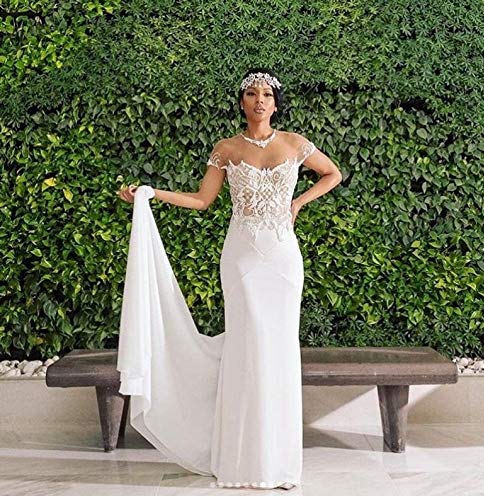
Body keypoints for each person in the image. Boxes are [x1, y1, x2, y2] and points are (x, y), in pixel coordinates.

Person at [117, 68, 342, 490]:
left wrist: (298, 203)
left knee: (277, 350)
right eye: (252, 94)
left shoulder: (295, 143)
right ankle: (242, 461)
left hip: (282, 260)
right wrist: (152, 192)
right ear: (242, 102)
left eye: (267, 95)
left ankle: (278, 462)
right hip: (241, 259)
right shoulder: (226, 148)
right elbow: (202, 200)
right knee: (248, 347)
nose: (260, 100)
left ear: (276, 103)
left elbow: (333, 173)